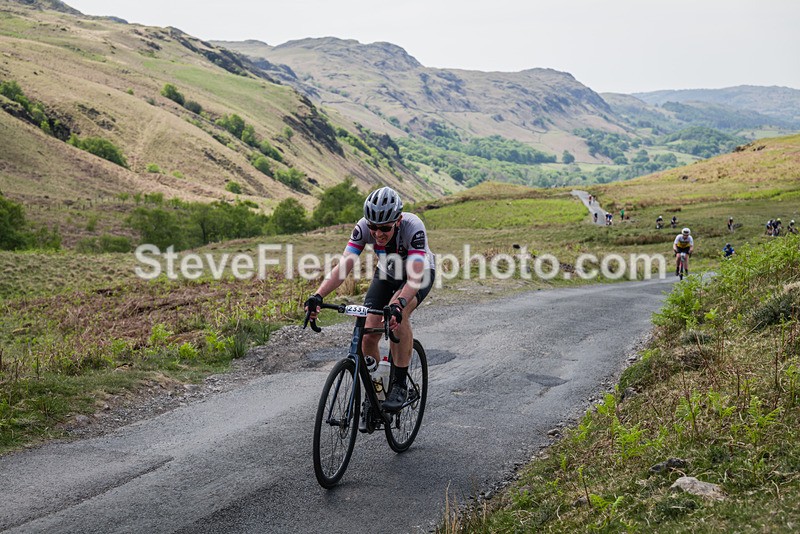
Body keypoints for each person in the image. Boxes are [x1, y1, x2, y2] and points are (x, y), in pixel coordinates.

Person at [304, 186, 436, 414]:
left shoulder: (413, 226)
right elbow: (344, 264)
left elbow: (414, 279)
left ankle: (399, 384)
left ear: (398, 220)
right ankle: (377, 391)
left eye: (384, 228)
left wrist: (398, 304)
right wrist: (318, 295)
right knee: (367, 334)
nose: (377, 234)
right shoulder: (363, 226)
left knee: (399, 315)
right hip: (387, 273)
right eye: (373, 227)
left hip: (418, 273)